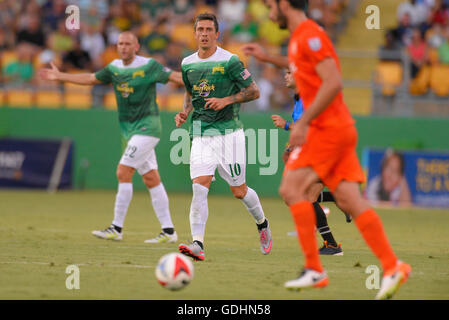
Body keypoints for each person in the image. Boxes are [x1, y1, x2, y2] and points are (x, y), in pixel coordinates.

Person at [265, 0, 411, 300]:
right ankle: (392, 266)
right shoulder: (298, 39)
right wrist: (266, 57)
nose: (268, 13)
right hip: (337, 129)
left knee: (292, 189)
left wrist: (302, 123)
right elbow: (297, 68)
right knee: (349, 199)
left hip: (328, 130)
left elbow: (333, 82)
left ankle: (314, 268)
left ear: (284, 5)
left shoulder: (309, 35)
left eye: (270, 6)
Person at [39, 31, 184, 244]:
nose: (123, 47)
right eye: (120, 43)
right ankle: (169, 231)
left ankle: (116, 228)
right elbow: (90, 78)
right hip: (131, 131)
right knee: (151, 178)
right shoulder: (114, 68)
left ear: (136, 47)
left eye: (128, 43)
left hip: (148, 127)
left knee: (123, 171)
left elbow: (175, 77)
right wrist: (60, 76)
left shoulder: (149, 66)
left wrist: (197, 81)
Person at [174, 13, 272, 261]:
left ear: (217, 34)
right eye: (200, 29)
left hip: (229, 133)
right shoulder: (187, 63)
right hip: (201, 133)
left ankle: (262, 224)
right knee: (199, 186)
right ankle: (198, 243)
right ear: (194, 33)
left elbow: (254, 91)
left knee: (239, 191)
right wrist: (185, 112)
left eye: (209, 29)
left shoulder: (231, 61)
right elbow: (190, 93)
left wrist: (226, 100)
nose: (204, 34)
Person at [243, 42, 345, 255]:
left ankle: (332, 244)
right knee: (297, 196)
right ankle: (339, 200)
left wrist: (286, 125)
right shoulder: (299, 100)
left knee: (302, 197)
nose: (286, 76)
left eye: (289, 73)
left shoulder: (309, 97)